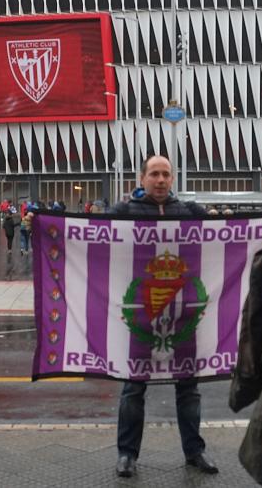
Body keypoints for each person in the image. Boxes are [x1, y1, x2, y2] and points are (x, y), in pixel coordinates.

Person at [112, 155, 217, 478]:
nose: (160, 179)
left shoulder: (189, 212)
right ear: (142, 178)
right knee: (133, 389)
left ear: (173, 179)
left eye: (166, 174)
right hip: (139, 318)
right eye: (154, 173)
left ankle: (194, 452)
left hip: (183, 318)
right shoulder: (123, 213)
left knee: (189, 390)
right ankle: (127, 455)